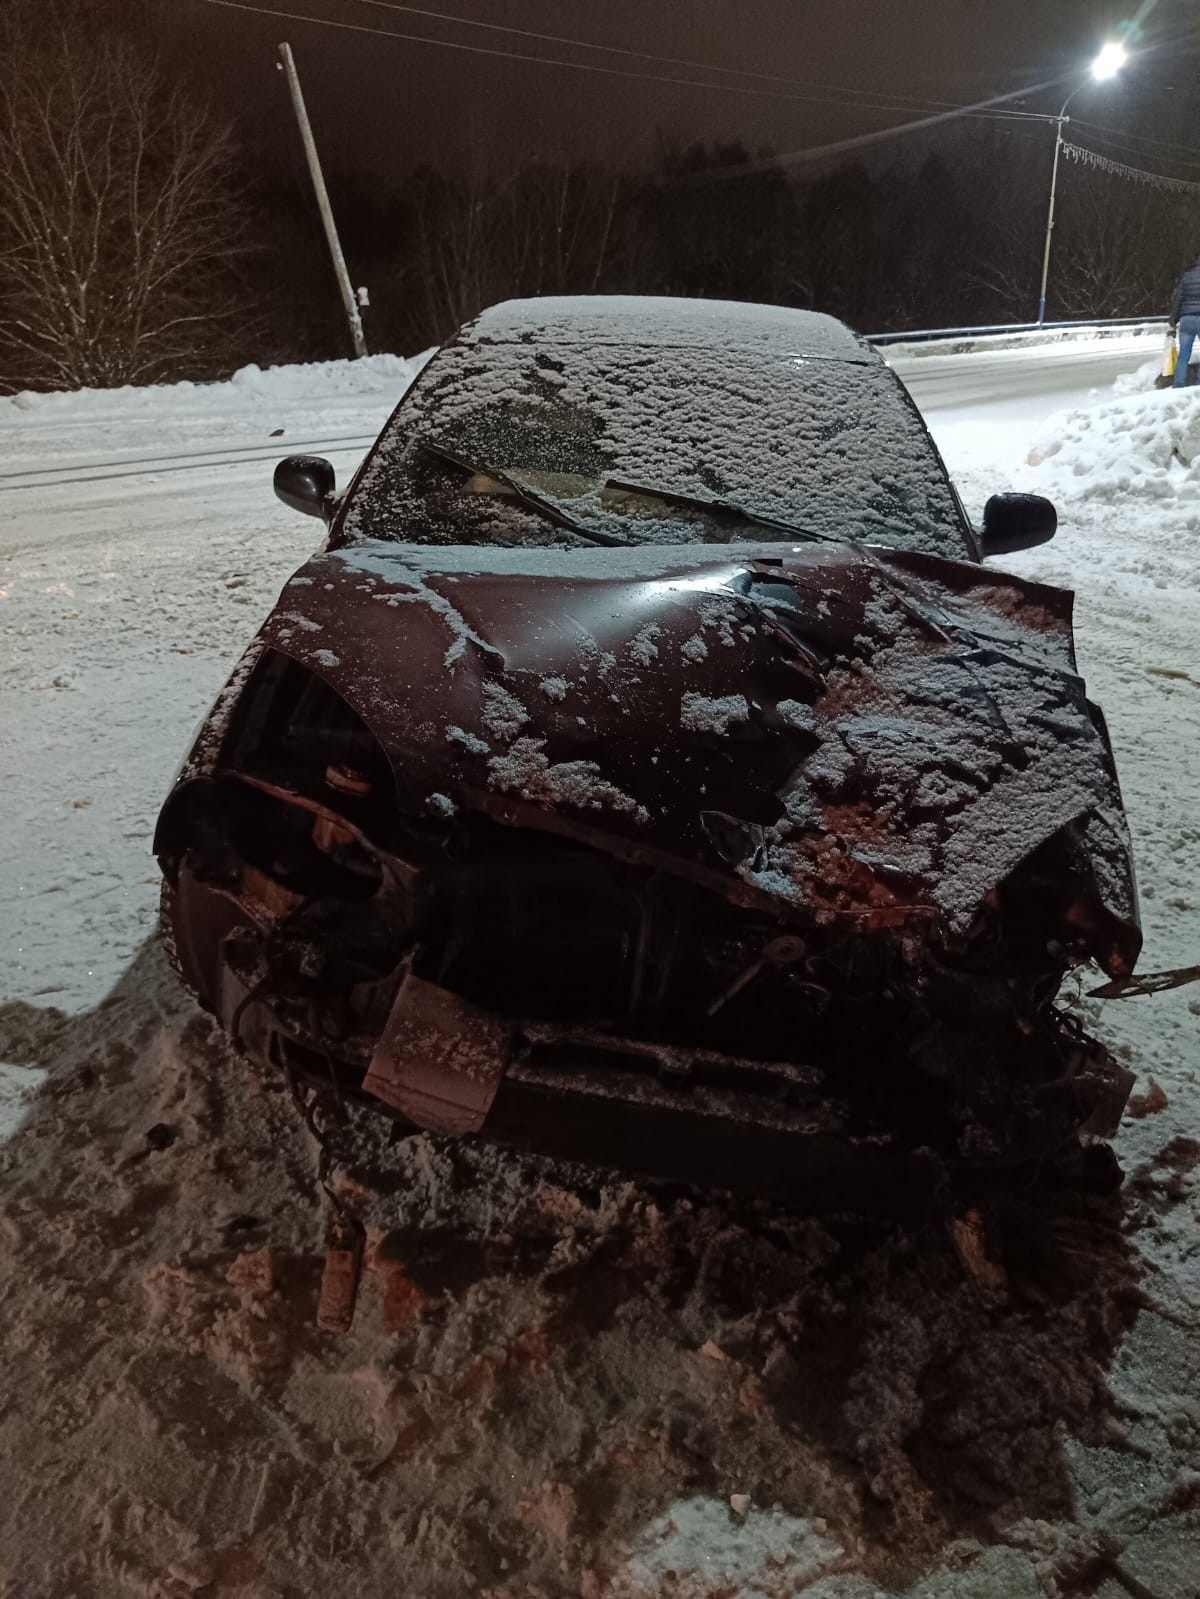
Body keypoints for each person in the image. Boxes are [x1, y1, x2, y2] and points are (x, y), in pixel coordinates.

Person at [1168, 254, 1200, 388]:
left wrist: (1172, 321)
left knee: (1183, 356)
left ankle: (1178, 385)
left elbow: (1178, 299)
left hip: (1186, 319)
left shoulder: (1186, 277)